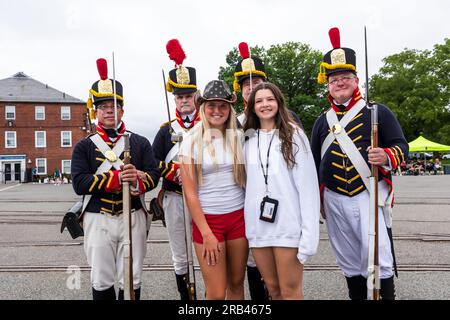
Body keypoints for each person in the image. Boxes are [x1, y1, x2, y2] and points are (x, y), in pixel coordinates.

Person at [311, 27, 409, 300]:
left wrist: (387, 156)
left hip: (369, 194)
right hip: (333, 199)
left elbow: (403, 147)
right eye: (334, 79)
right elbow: (312, 161)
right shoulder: (322, 121)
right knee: (350, 261)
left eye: (345, 77)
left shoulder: (378, 111)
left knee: (380, 261)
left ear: (356, 81)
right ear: (327, 85)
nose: (340, 83)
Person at [71, 58, 160, 300]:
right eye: (103, 106)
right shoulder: (84, 146)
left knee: (132, 279)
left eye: (114, 105)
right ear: (96, 111)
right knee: (101, 280)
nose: (109, 110)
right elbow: (79, 183)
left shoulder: (139, 142)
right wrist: (115, 180)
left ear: (122, 109)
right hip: (98, 218)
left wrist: (139, 180)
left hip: (133, 216)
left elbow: (154, 176)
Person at [233, 41, 304, 300]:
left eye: (257, 84)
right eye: (247, 86)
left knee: (286, 287)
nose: (252, 89)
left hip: (284, 211)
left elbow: (300, 172)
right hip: (250, 209)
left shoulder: (289, 121)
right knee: (258, 272)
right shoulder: (236, 124)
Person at [243, 82, 320, 299]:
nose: (264, 105)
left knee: (290, 291)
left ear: (279, 102)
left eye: (269, 99)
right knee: (273, 290)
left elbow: (308, 188)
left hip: (287, 225)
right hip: (259, 228)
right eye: (258, 101)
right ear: (251, 107)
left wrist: (309, 235)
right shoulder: (248, 138)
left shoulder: (293, 135)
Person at [180, 80, 248, 300]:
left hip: (239, 218)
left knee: (237, 285)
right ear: (203, 107)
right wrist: (207, 233)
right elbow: (190, 193)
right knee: (217, 293)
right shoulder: (190, 141)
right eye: (211, 105)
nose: (217, 111)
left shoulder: (239, 137)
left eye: (223, 106)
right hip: (208, 222)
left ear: (230, 108)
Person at [152, 39, 200, 300]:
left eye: (188, 96)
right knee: (180, 254)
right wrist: (171, 171)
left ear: (196, 96)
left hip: (206, 197)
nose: (184, 100)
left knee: (210, 250)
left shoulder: (210, 125)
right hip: (175, 198)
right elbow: (152, 164)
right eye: (179, 96)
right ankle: (186, 299)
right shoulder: (164, 130)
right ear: (174, 99)